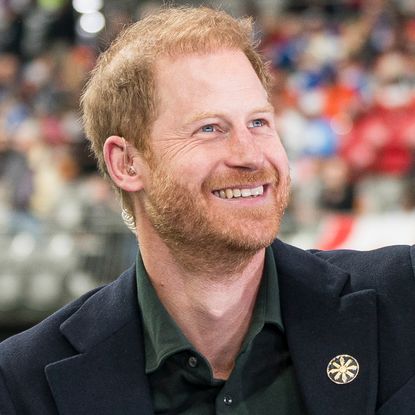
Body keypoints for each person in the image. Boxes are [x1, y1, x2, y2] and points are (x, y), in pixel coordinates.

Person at [0, 6, 414, 415]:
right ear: (126, 163)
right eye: (210, 128)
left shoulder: (402, 297)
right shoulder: (23, 382)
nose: (251, 156)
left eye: (258, 122)